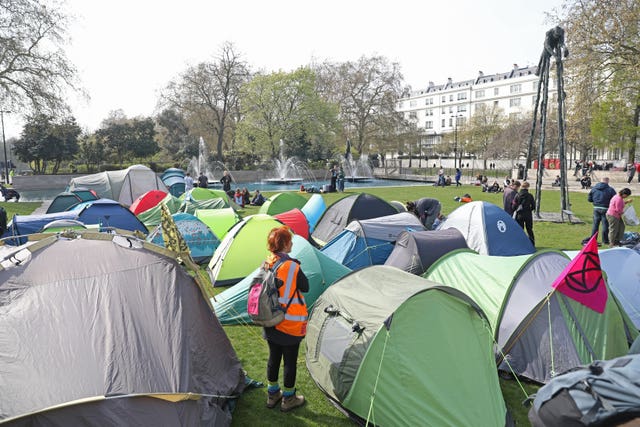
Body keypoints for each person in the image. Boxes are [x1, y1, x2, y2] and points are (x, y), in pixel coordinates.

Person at [263, 226, 308, 412]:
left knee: (274, 358)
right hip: (288, 323)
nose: (292, 243)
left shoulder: (267, 262)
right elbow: (305, 287)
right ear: (285, 244)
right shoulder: (292, 266)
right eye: (290, 240)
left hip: (269, 320)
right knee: (289, 361)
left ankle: (273, 394)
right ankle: (289, 398)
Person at [588, 177, 616, 246]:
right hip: (606, 208)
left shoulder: (594, 188)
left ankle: (593, 240)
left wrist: (595, 201)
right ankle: (605, 241)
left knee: (595, 225)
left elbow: (589, 199)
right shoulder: (610, 189)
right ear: (607, 181)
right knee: (605, 225)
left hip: (596, 208)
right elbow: (614, 199)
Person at [513, 181, 536, 246]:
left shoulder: (517, 195)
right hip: (528, 214)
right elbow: (533, 206)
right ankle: (532, 243)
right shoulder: (530, 196)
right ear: (528, 187)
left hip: (519, 214)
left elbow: (514, 206)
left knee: (520, 230)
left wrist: (517, 209)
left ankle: (520, 243)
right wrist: (529, 210)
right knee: (529, 230)